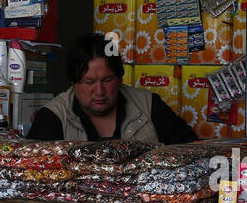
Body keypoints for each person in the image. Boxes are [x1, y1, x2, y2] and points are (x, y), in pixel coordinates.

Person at [27, 33, 198, 144]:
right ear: (74, 82)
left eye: (107, 80)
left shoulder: (148, 105)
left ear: (119, 78)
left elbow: (191, 150)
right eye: (89, 82)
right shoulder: (53, 117)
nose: (100, 91)